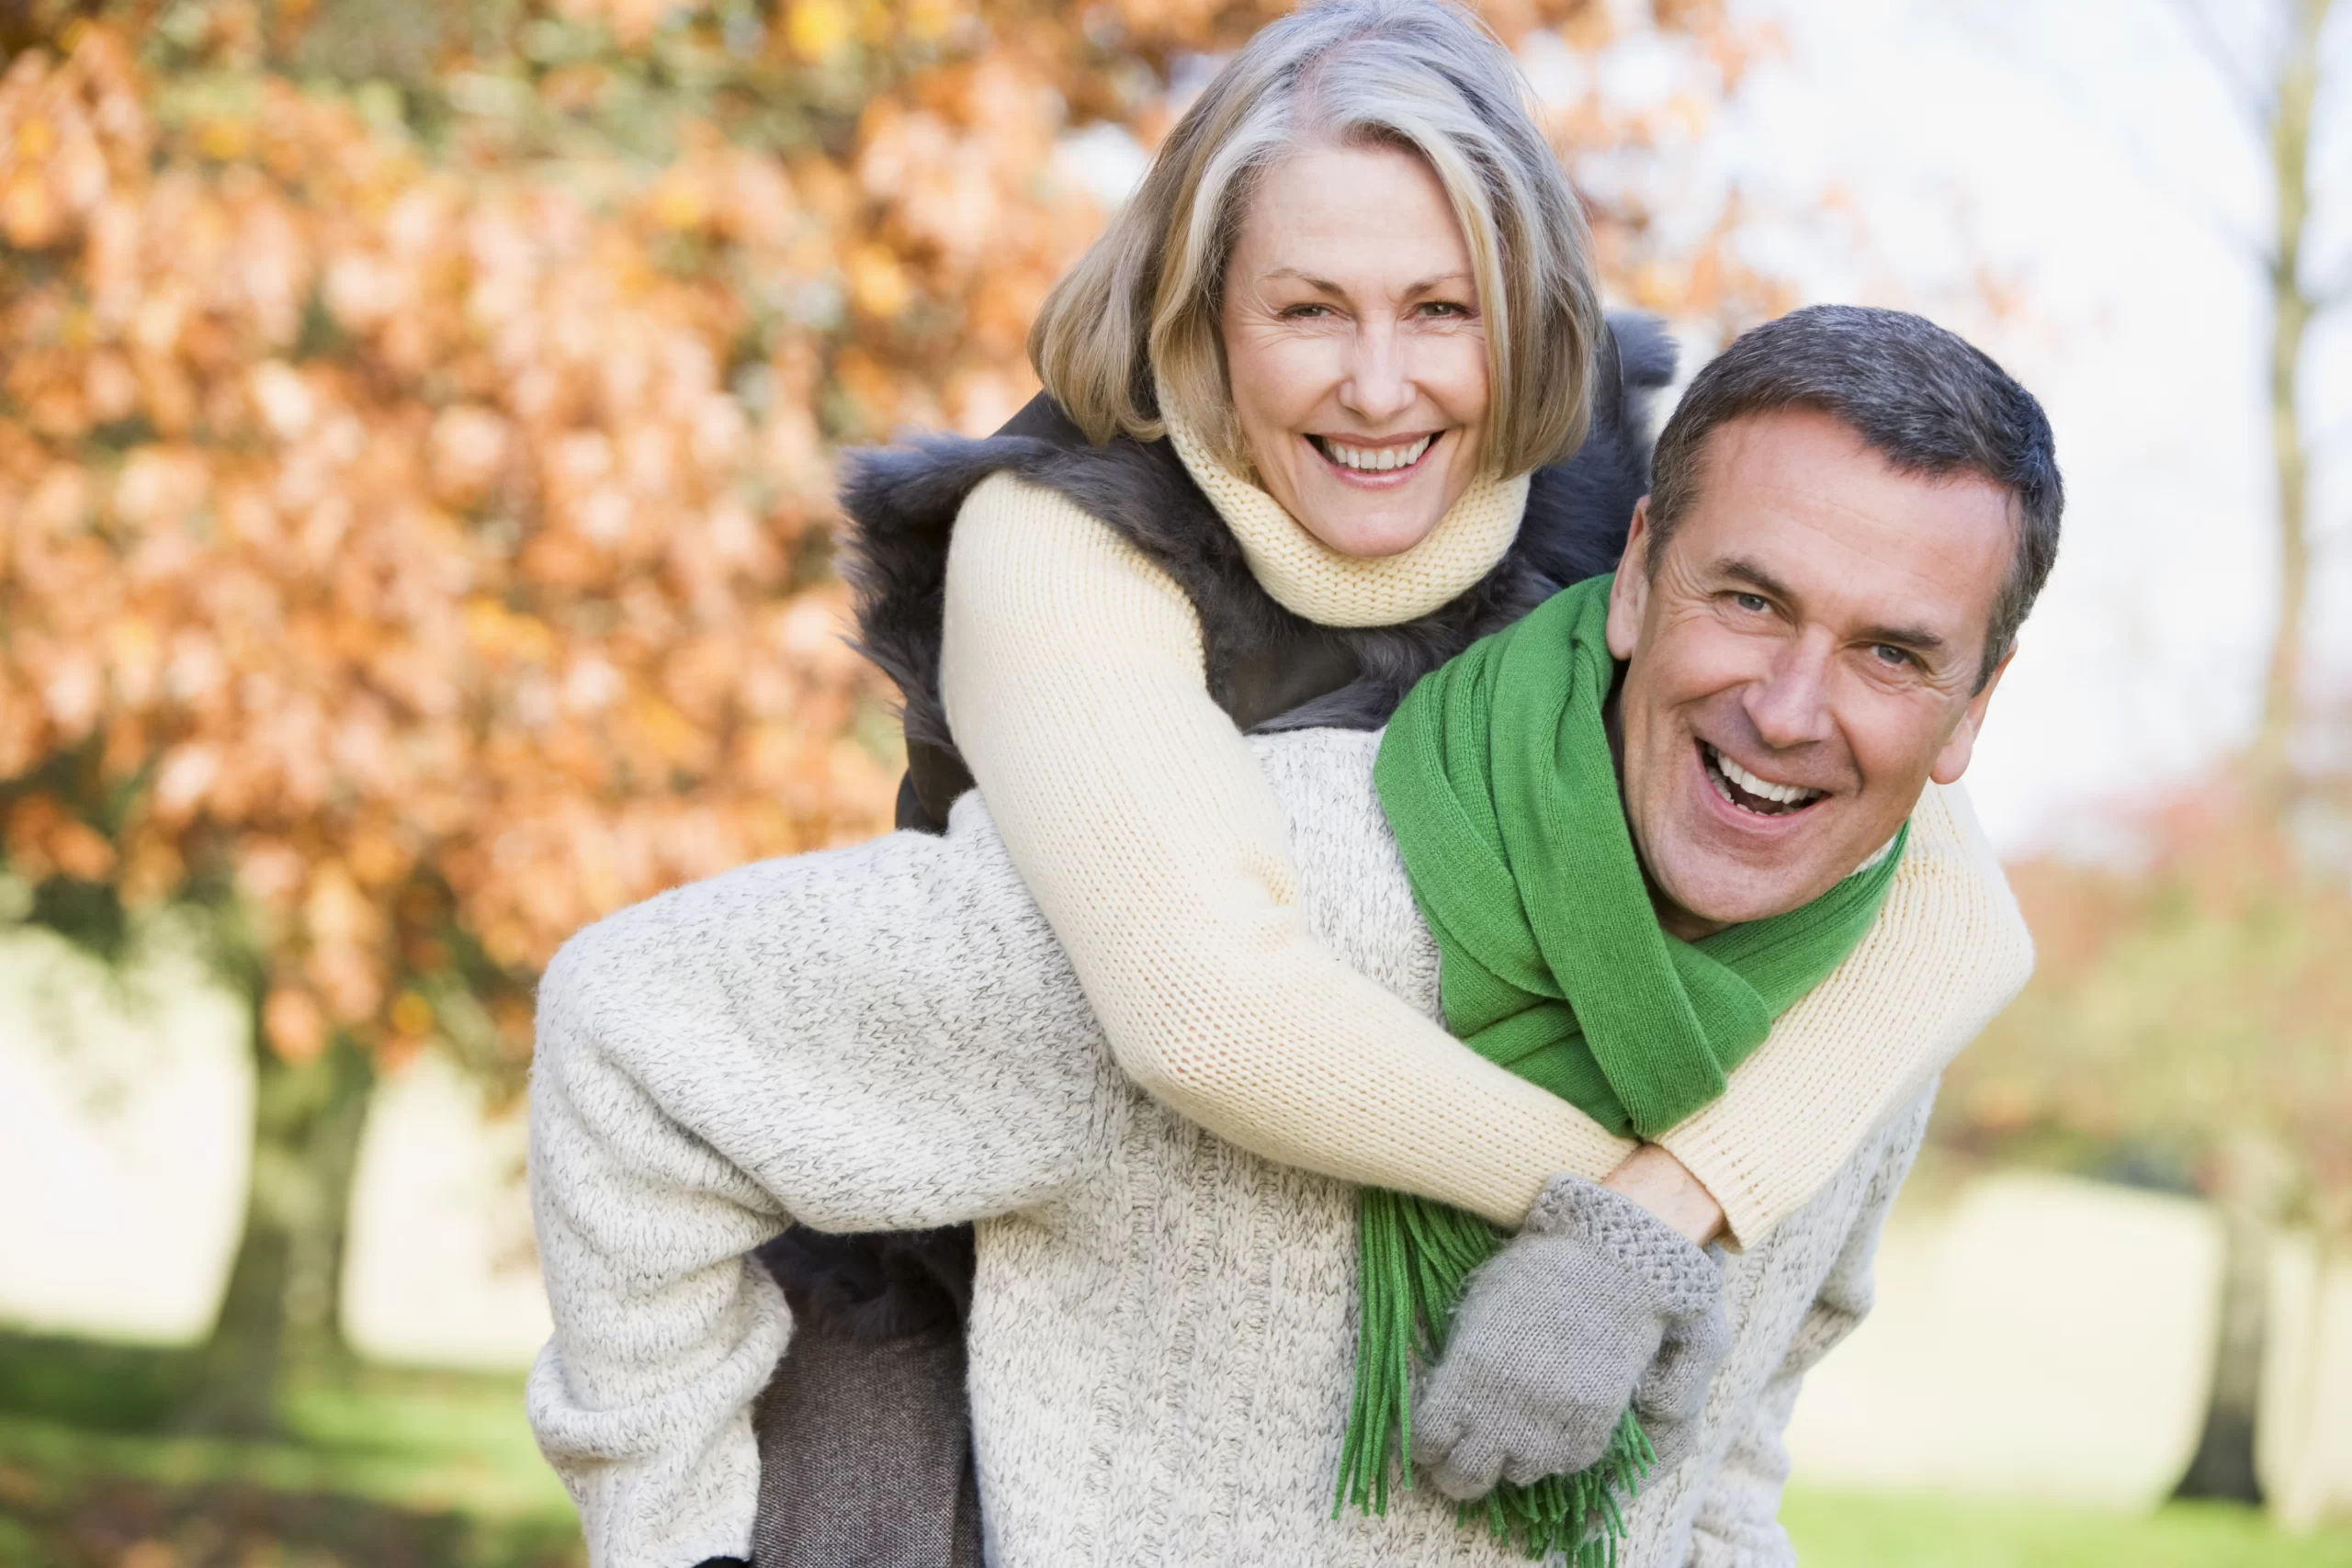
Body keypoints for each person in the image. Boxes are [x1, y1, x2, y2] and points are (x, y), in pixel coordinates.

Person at [734, 4, 2030, 1560]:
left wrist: (1671, 1212)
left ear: (1526, 308)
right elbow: (1209, 1009)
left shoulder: (1613, 506)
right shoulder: (1063, 538)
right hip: (971, 1282)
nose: (1378, 386)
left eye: (1441, 308)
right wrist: (1604, 1216)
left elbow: (1951, 912)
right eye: (1307, 310)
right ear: (1202, 311)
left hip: (1335, 1300)